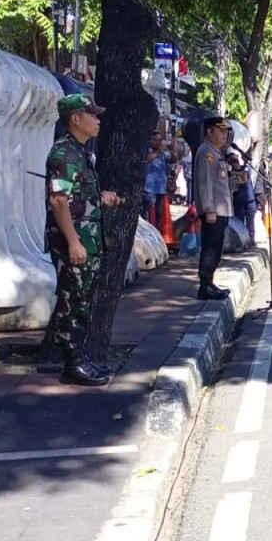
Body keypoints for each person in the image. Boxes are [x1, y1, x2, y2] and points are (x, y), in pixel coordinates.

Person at [45, 93, 123, 386]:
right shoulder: (63, 153)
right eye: (92, 114)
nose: (97, 119)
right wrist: (74, 241)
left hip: (87, 241)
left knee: (83, 300)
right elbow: (58, 201)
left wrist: (101, 199)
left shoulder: (80, 153)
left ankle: (80, 357)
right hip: (74, 242)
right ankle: (73, 364)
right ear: (75, 119)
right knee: (72, 300)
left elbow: (78, 198)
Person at [194, 117, 235, 301]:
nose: (225, 135)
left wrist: (236, 180)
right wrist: (209, 208)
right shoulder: (206, 152)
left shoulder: (217, 152)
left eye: (226, 132)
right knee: (210, 248)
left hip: (222, 209)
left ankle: (209, 283)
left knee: (216, 248)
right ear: (210, 132)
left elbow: (221, 182)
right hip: (214, 211)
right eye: (221, 131)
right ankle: (204, 286)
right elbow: (205, 183)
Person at [142, 131, 172, 227]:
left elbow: (173, 160)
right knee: (149, 214)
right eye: (155, 140)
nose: (158, 142)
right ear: (150, 140)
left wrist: (173, 151)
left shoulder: (164, 153)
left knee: (159, 214)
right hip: (149, 189)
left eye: (159, 140)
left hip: (161, 189)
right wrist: (158, 152)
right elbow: (147, 160)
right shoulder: (147, 150)